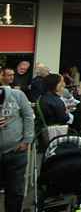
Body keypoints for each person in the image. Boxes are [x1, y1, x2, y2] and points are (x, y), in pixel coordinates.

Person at [1, 82, 34, 212]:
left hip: (16, 151)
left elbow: (28, 116)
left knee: (15, 191)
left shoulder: (18, 95)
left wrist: (27, 140)